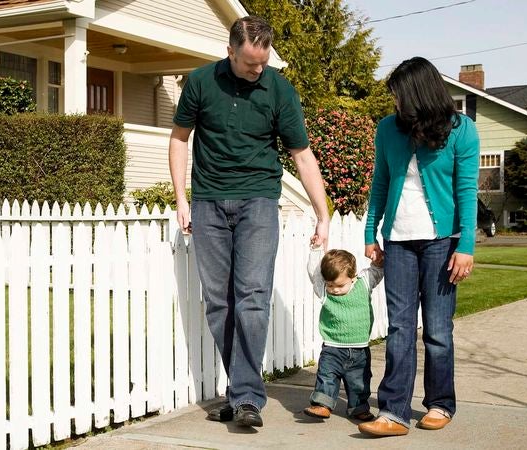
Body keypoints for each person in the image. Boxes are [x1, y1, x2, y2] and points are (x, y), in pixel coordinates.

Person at [168, 16, 330, 428]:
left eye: (262, 63)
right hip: (208, 202)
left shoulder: (279, 89)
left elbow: (302, 155)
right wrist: (181, 199)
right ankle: (243, 390)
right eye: (249, 64)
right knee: (220, 303)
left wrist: (322, 213)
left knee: (253, 297)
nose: (257, 70)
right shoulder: (201, 83)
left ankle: (245, 397)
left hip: (259, 201)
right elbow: (178, 139)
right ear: (230, 51)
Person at [358, 56, 480, 437]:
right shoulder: (387, 129)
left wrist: (467, 244)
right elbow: (380, 183)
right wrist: (369, 234)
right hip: (398, 241)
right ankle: (393, 412)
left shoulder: (462, 130)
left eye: (399, 96)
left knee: (438, 330)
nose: (395, 104)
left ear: (418, 94)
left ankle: (440, 404)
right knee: (398, 327)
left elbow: (466, 190)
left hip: (443, 244)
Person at [303, 247, 383, 422]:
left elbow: (376, 272)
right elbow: (314, 274)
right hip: (332, 348)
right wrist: (316, 249)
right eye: (330, 285)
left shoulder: (363, 283)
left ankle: (359, 408)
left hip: (359, 349)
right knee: (326, 377)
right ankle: (322, 405)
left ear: (352, 278)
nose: (335, 290)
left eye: (340, 285)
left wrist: (378, 262)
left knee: (359, 382)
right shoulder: (324, 290)